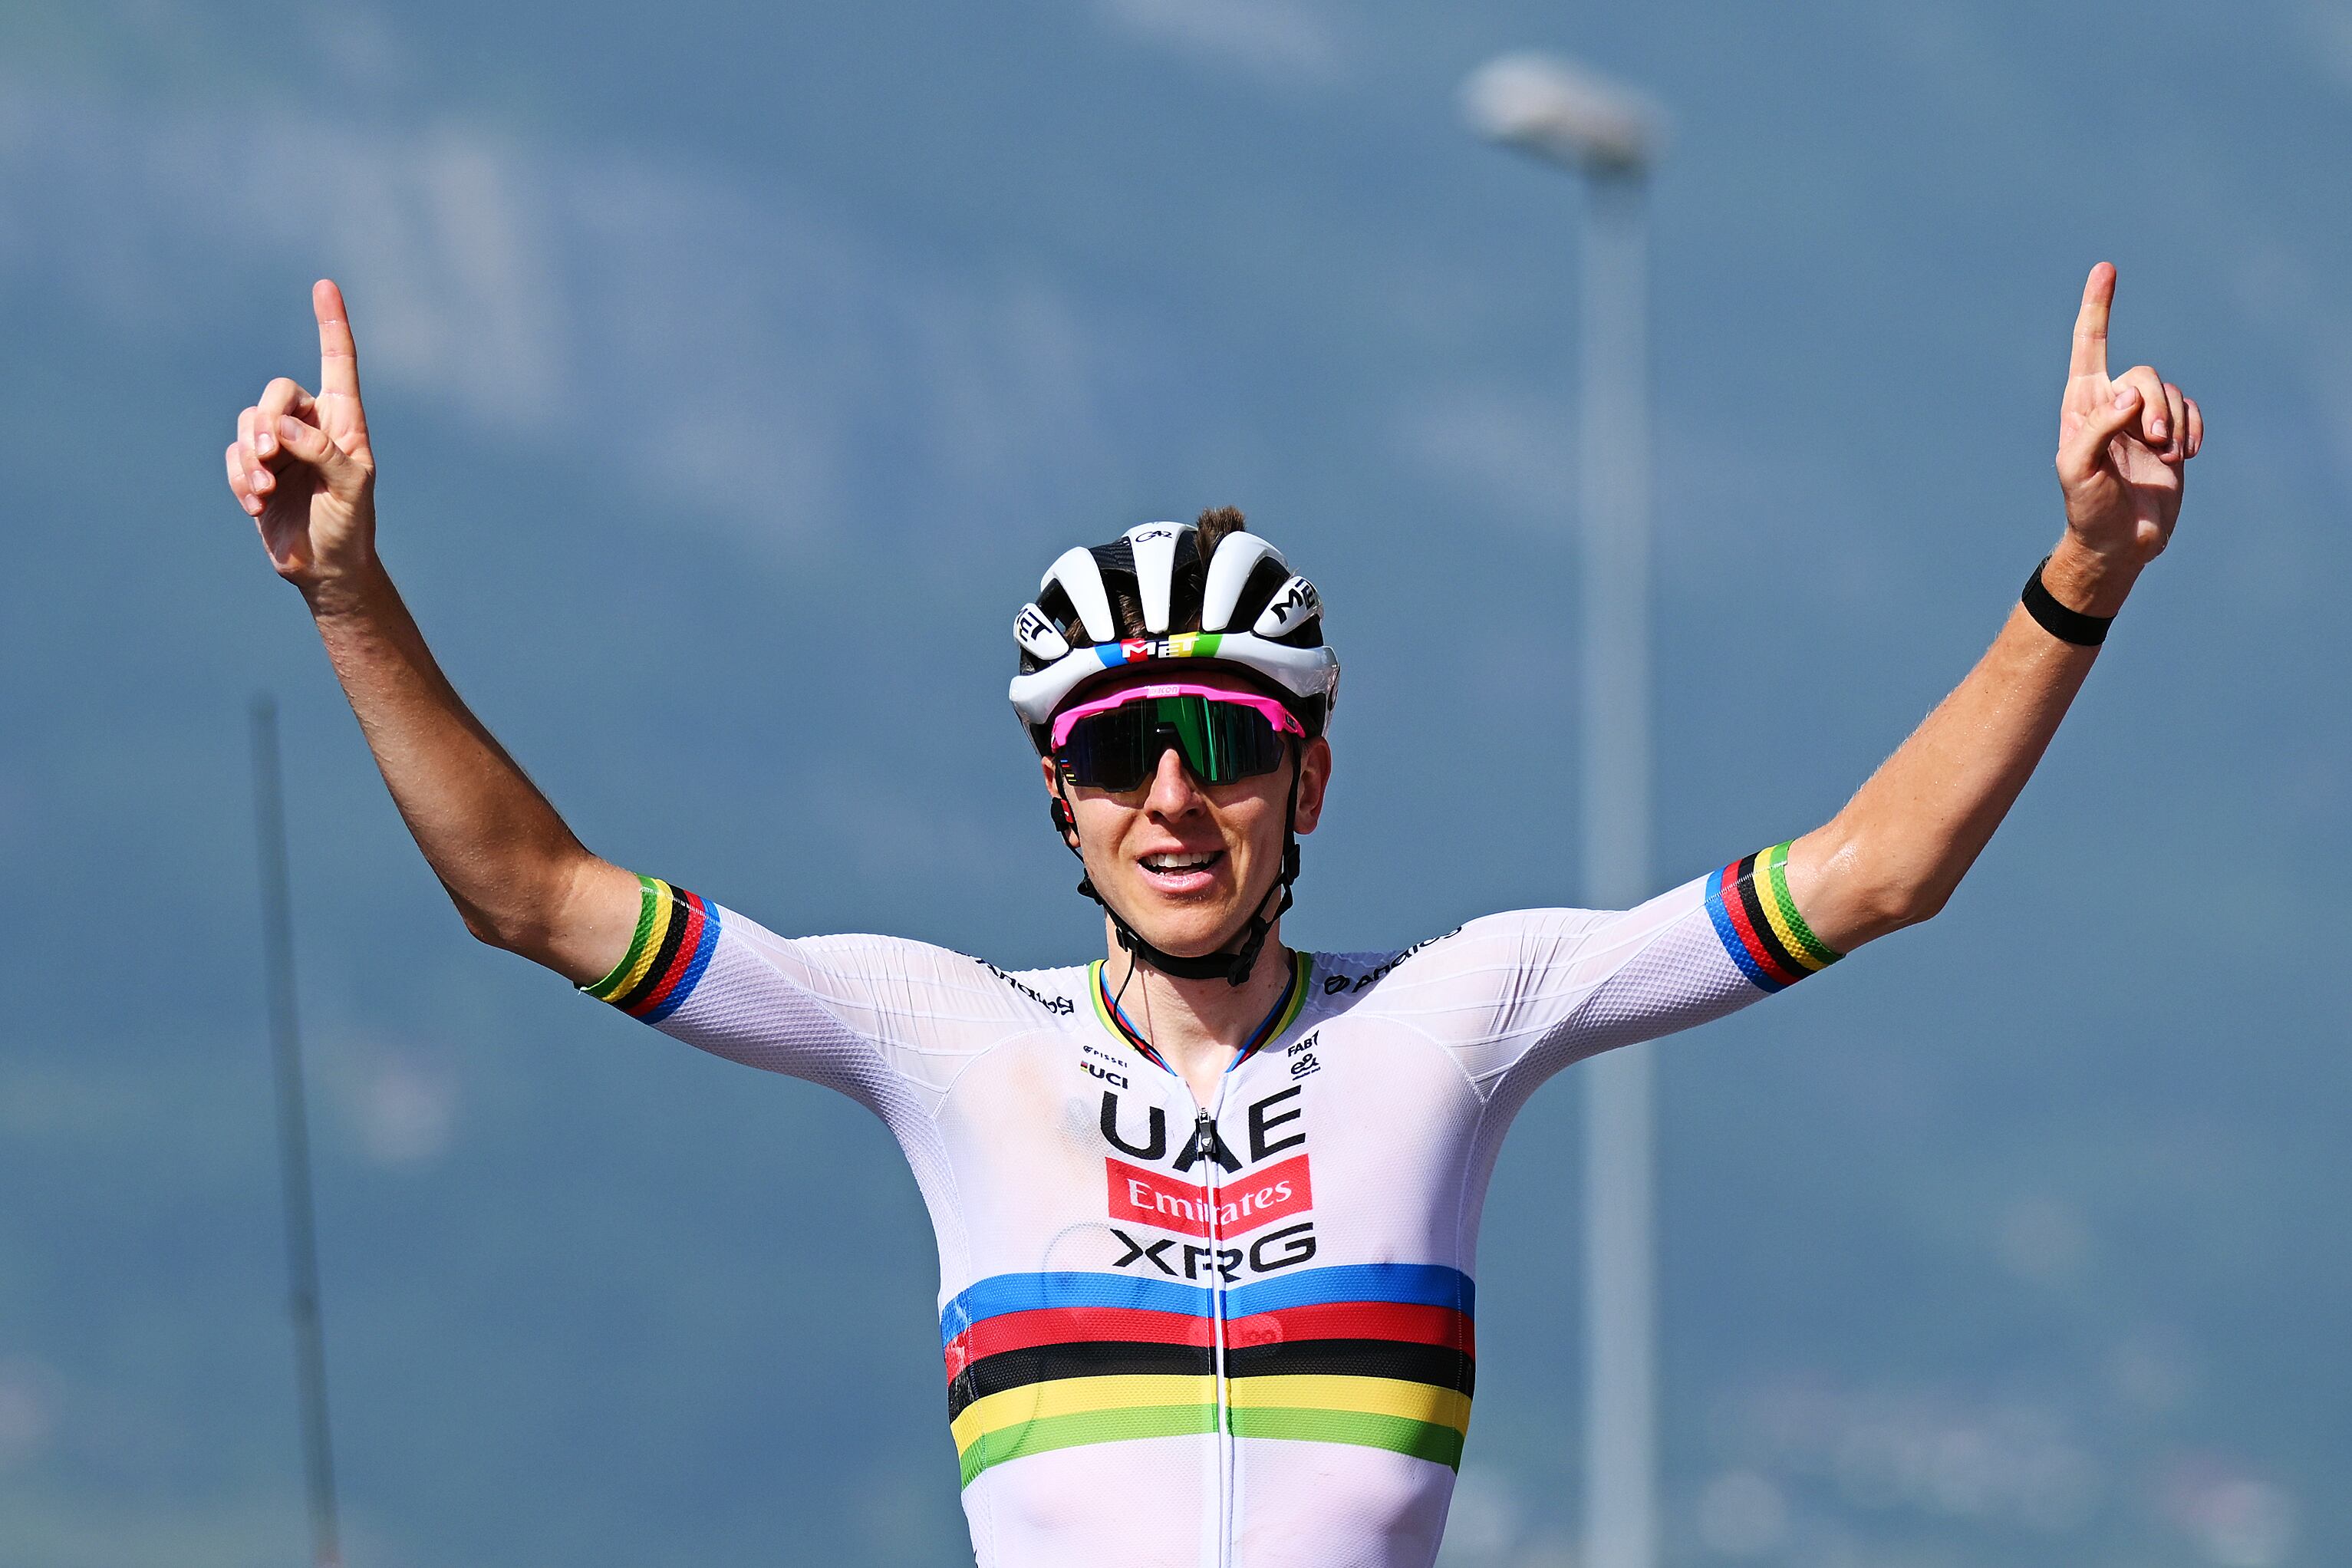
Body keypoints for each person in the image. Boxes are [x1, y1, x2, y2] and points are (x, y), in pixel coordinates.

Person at [224, 265, 2199, 1568]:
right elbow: (532, 894)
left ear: (1309, 782)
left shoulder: (1462, 1008)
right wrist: (345, 592)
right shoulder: (945, 1029)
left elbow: (1875, 870)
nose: (1174, 793)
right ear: (1060, 802)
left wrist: (2084, 569)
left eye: (1225, 744)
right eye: (1117, 751)